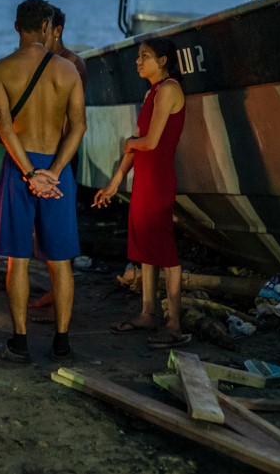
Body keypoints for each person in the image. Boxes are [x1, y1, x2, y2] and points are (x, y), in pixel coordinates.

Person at [0, 0, 86, 363]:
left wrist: (29, 172)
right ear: (47, 27)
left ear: (17, 27)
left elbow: (3, 126)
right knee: (61, 262)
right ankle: (62, 342)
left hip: (20, 167)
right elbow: (79, 127)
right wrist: (55, 172)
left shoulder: (0, 69)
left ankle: (20, 341)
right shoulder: (69, 70)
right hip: (57, 170)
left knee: (18, 260)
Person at [93, 36, 190, 348]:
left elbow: (149, 142)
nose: (138, 61)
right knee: (146, 249)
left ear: (162, 60)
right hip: (144, 180)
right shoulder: (153, 92)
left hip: (159, 179)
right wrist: (115, 181)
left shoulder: (170, 89)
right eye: (138, 56)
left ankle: (174, 324)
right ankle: (148, 313)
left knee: (165, 252)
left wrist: (130, 143)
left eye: (145, 56)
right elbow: (139, 144)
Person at [27, 5, 90, 321]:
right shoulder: (37, 62)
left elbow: (73, 120)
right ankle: (54, 291)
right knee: (43, 233)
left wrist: (54, 165)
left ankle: (59, 296)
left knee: (58, 233)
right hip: (40, 154)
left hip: (61, 155)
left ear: (56, 30)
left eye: (45, 28)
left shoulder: (72, 64)